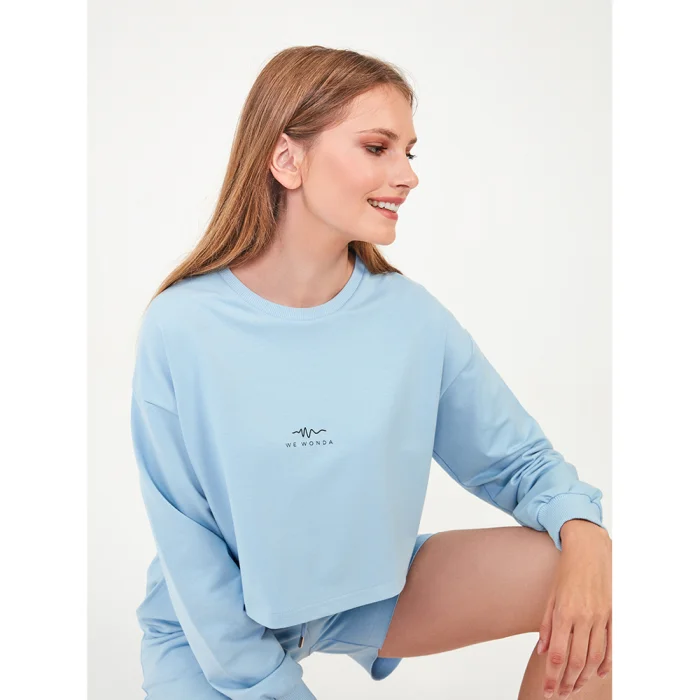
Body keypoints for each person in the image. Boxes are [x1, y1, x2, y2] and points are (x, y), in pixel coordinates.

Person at [130, 45, 612, 700]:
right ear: (286, 159)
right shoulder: (182, 326)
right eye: (377, 147)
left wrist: (587, 534)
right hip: (210, 630)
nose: (407, 176)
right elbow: (191, 552)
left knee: (600, 591)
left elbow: (518, 462)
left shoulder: (411, 319)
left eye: (408, 152)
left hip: (366, 596)